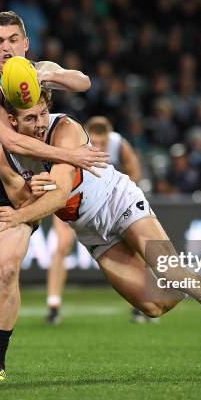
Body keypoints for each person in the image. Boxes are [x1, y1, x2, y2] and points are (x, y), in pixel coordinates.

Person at [0, 91, 201, 378]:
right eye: (31, 118)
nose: (41, 122)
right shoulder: (3, 156)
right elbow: (24, 201)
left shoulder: (64, 129)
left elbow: (56, 198)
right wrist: (31, 194)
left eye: (43, 112)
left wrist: (21, 213)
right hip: (93, 234)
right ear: (11, 121)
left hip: (118, 201)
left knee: (169, 271)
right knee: (155, 305)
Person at [0, 11, 106, 382]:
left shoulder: (36, 71)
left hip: (21, 189)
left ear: (25, 43)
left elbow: (83, 83)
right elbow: (12, 140)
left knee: (7, 270)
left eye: (13, 39)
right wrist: (72, 156)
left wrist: (47, 75)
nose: (6, 47)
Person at [45, 116, 144, 324]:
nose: (97, 145)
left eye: (102, 141)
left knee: (134, 249)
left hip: (106, 204)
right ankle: (53, 304)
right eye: (94, 141)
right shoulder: (72, 140)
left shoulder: (119, 145)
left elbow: (134, 171)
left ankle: (138, 306)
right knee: (61, 247)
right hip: (70, 201)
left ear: (109, 137)